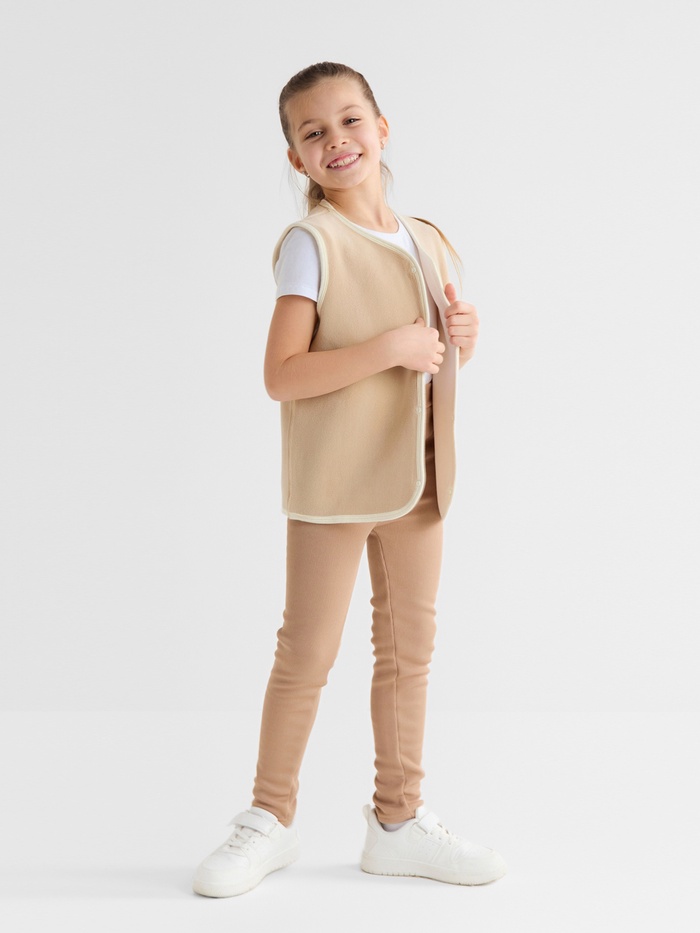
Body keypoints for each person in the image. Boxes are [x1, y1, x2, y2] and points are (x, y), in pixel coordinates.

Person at [192, 61, 506, 898]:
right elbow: (282, 375)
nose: (336, 140)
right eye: (313, 131)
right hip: (335, 483)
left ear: (383, 127)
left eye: (350, 120)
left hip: (419, 480)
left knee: (409, 651)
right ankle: (267, 818)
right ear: (295, 158)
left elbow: (427, 367)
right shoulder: (313, 243)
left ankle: (398, 821)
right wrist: (387, 348)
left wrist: (460, 343)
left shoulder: (428, 238)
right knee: (306, 651)